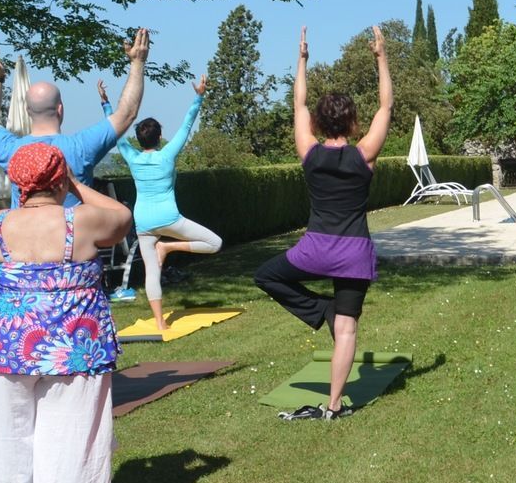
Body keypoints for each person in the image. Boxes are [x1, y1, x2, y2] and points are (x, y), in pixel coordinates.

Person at [0, 143, 131, 483]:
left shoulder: (0, 222)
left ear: (16, 182)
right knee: (70, 434)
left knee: (6, 435)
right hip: (73, 345)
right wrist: (79, 185)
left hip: (6, 344)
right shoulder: (81, 221)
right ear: (60, 179)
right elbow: (123, 218)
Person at [254, 24, 391, 420]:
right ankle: (333, 406)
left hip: (313, 251)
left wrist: (302, 60)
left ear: (317, 123)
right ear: (351, 124)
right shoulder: (364, 154)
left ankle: (320, 311)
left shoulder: (308, 153)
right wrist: (380, 57)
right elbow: (386, 108)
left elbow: (298, 106)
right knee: (346, 330)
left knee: (267, 276)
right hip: (353, 255)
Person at [99, 75, 222, 336]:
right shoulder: (167, 155)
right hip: (169, 218)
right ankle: (168, 246)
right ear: (160, 136)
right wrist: (198, 95)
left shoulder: (131, 157)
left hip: (143, 221)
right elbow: (187, 125)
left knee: (151, 272)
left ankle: (159, 323)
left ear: (140, 140)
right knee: (215, 243)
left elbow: (116, 134)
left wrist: (106, 104)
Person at [0, 29, 150, 207]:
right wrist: (138, 62)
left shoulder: (11, 151)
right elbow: (127, 114)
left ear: (27, 111)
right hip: (74, 234)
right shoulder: (80, 147)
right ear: (60, 109)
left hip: (23, 234)